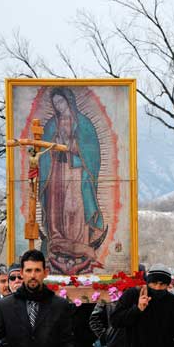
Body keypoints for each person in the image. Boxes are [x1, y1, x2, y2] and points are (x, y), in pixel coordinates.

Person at [39, 87, 106, 275]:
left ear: (69, 101)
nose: (59, 106)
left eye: (61, 102)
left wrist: (74, 146)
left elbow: (92, 153)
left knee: (74, 207)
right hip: (56, 172)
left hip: (77, 171)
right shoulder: (52, 125)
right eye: (55, 103)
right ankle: (58, 240)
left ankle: (79, 243)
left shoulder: (83, 124)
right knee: (57, 208)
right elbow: (42, 151)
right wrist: (53, 148)